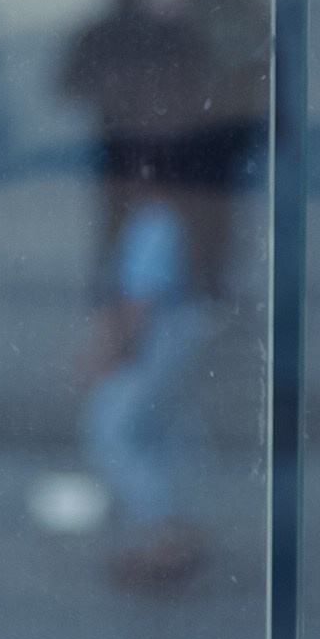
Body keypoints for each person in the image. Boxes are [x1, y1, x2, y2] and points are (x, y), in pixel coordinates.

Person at [80, 182, 210, 588]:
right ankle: (166, 534)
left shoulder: (154, 222)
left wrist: (110, 355)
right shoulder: (151, 220)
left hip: (150, 343)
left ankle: (162, 535)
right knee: (150, 438)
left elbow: (141, 302)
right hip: (158, 341)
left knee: (112, 434)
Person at [58, 0, 200, 283]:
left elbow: (69, 86)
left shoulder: (104, 32)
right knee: (158, 224)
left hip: (132, 141)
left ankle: (119, 297)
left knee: (131, 225)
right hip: (142, 142)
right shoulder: (160, 32)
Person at [163, 0, 272, 298]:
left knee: (219, 207)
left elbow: (256, 58)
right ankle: (198, 273)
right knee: (191, 206)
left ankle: (212, 275)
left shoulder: (238, 0)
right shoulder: (174, 4)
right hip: (187, 124)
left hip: (225, 122)